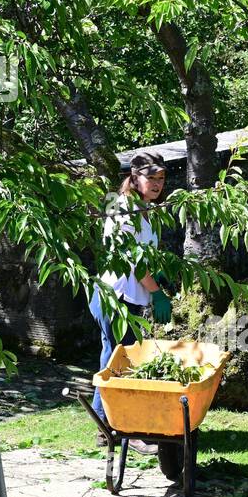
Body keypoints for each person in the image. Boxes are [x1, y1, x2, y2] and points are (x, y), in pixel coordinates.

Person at [89, 152, 167, 447]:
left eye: (161, 178)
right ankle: (115, 427)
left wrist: (162, 279)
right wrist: (157, 293)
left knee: (116, 357)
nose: (157, 183)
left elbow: (147, 256)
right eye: (151, 177)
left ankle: (108, 426)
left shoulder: (145, 209)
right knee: (119, 360)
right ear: (134, 178)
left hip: (129, 297)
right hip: (115, 297)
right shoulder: (124, 209)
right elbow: (133, 261)